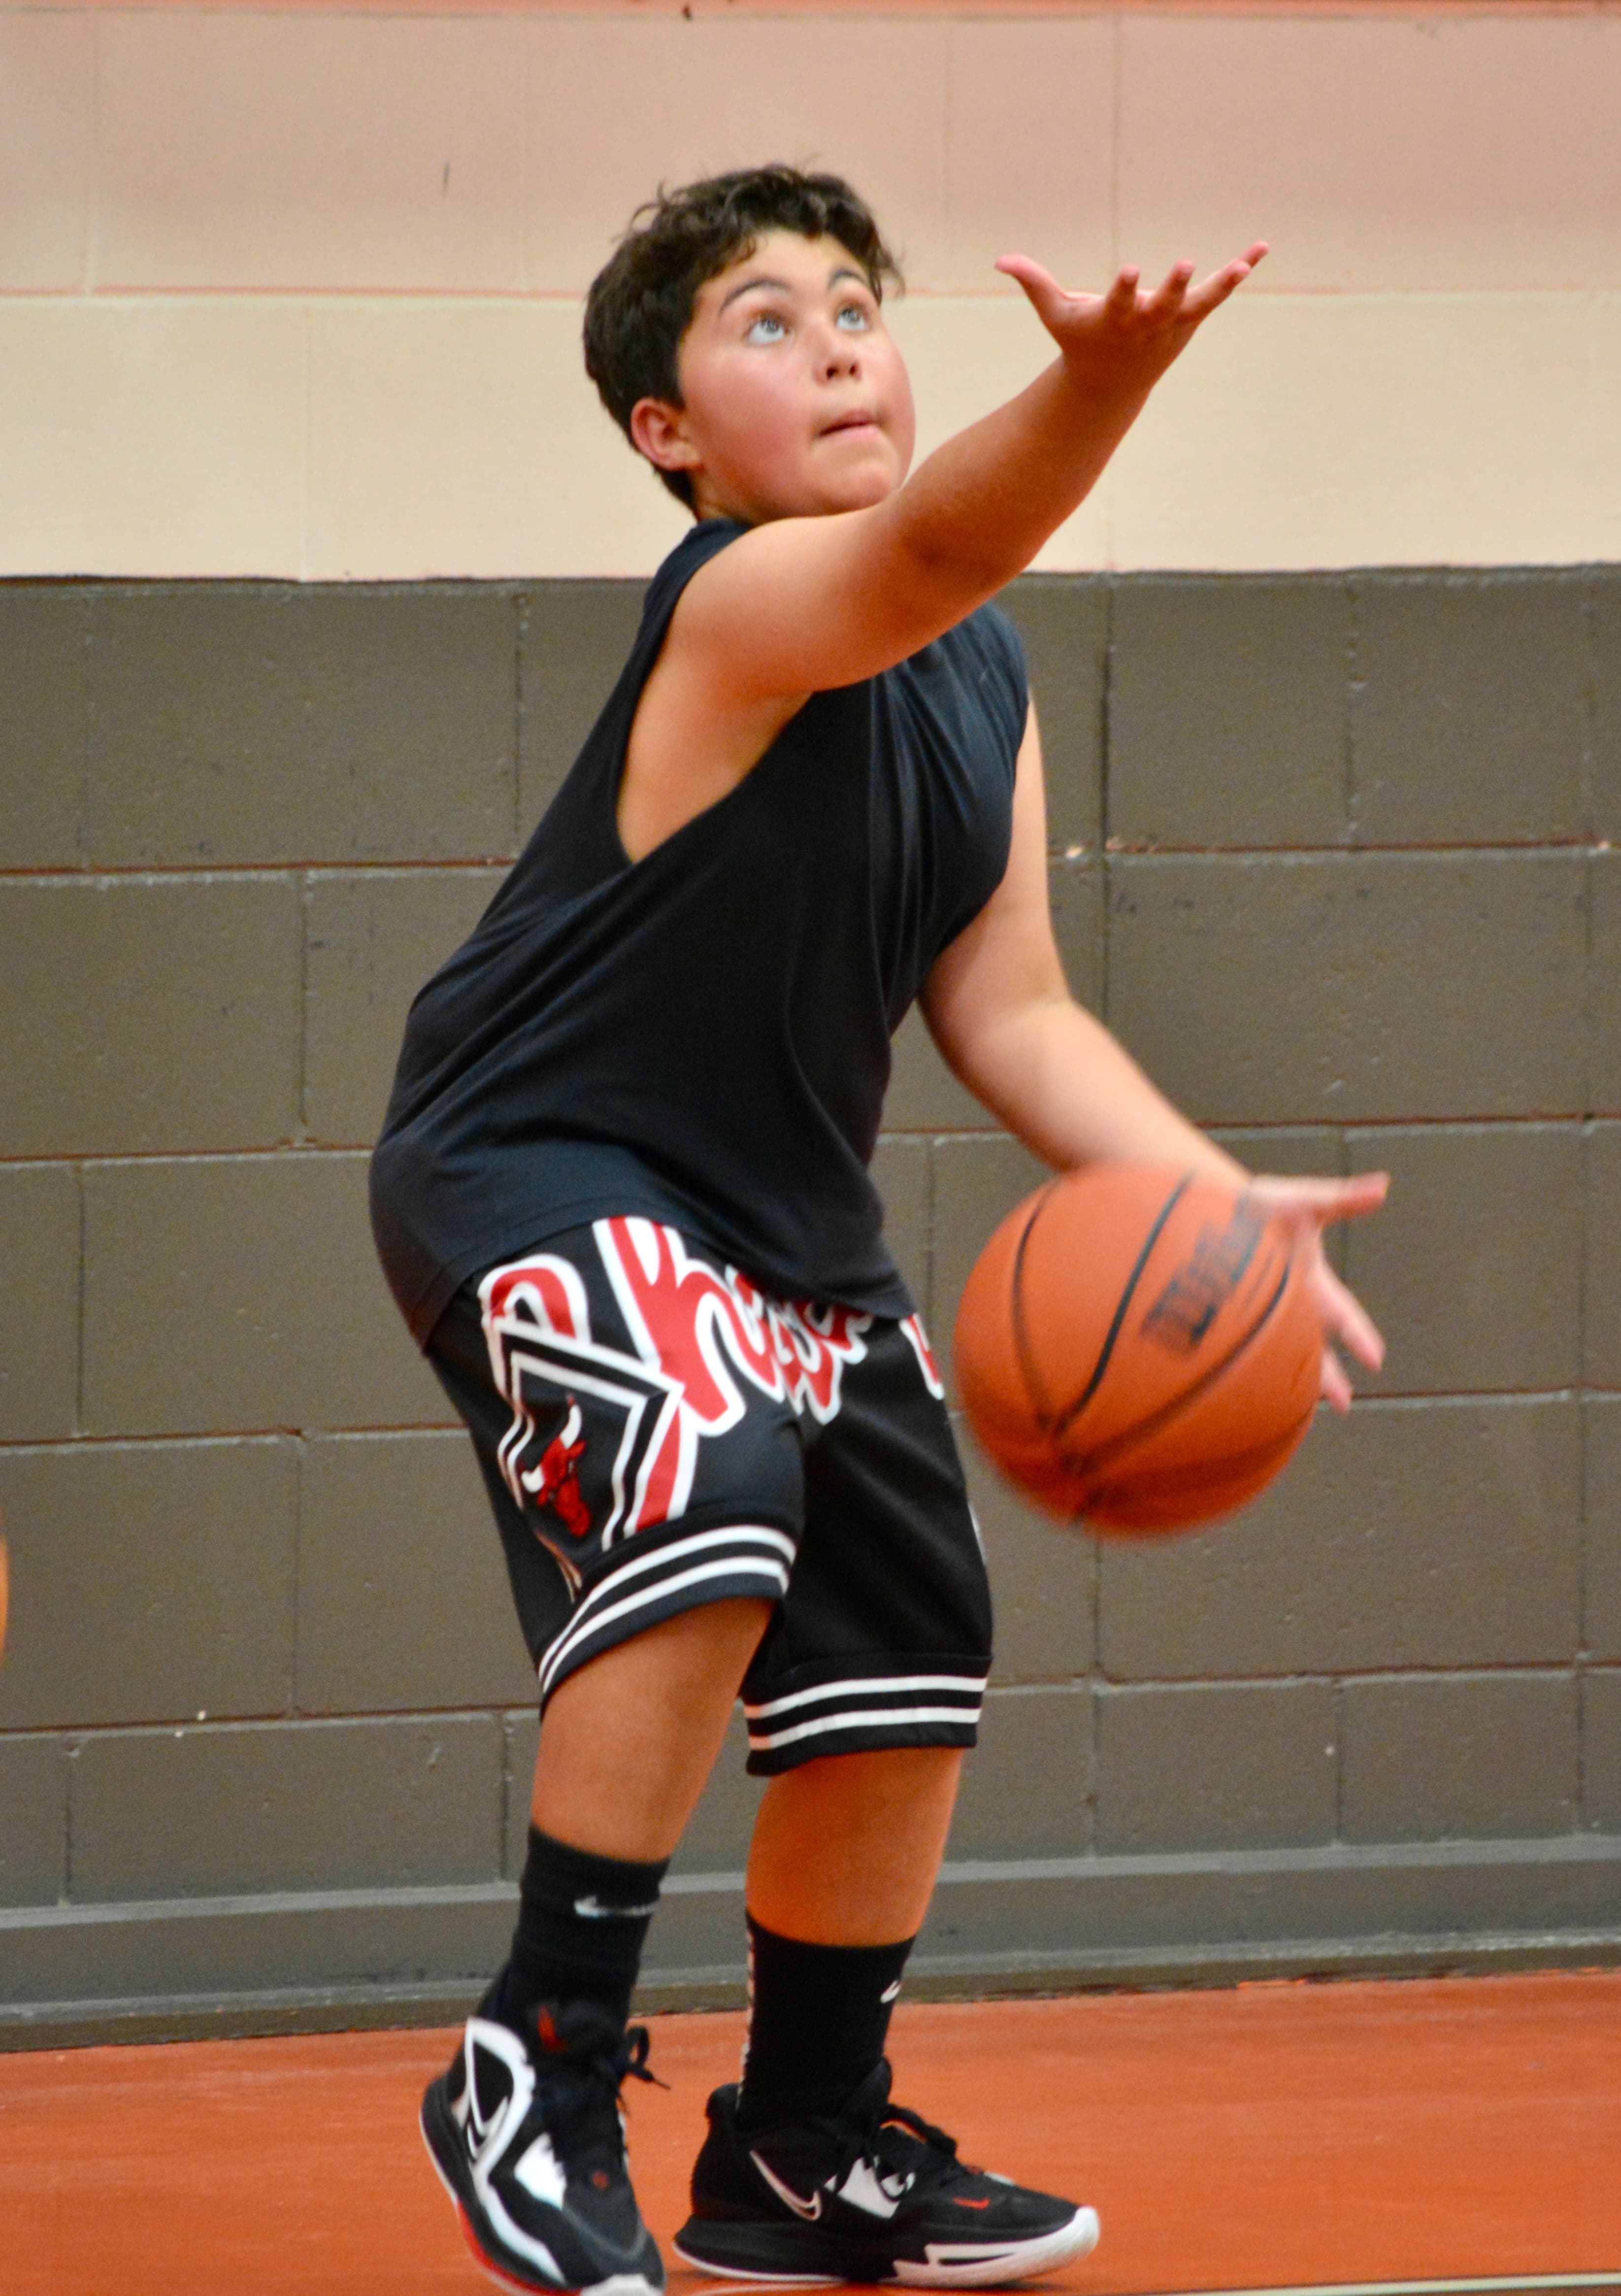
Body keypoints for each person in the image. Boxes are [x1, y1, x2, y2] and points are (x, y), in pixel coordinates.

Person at [370, 165, 1387, 2296]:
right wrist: (1100, 385)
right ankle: (535, 2062)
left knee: (908, 1630)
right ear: (667, 433)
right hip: (542, 1155)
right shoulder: (740, 598)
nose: (836, 344)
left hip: (781, 1217)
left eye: (856, 306)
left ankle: (801, 2140)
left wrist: (1211, 1197)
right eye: (767, 321)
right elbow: (935, 540)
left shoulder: (980, 673)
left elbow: (1011, 1006)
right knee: (706, 1476)